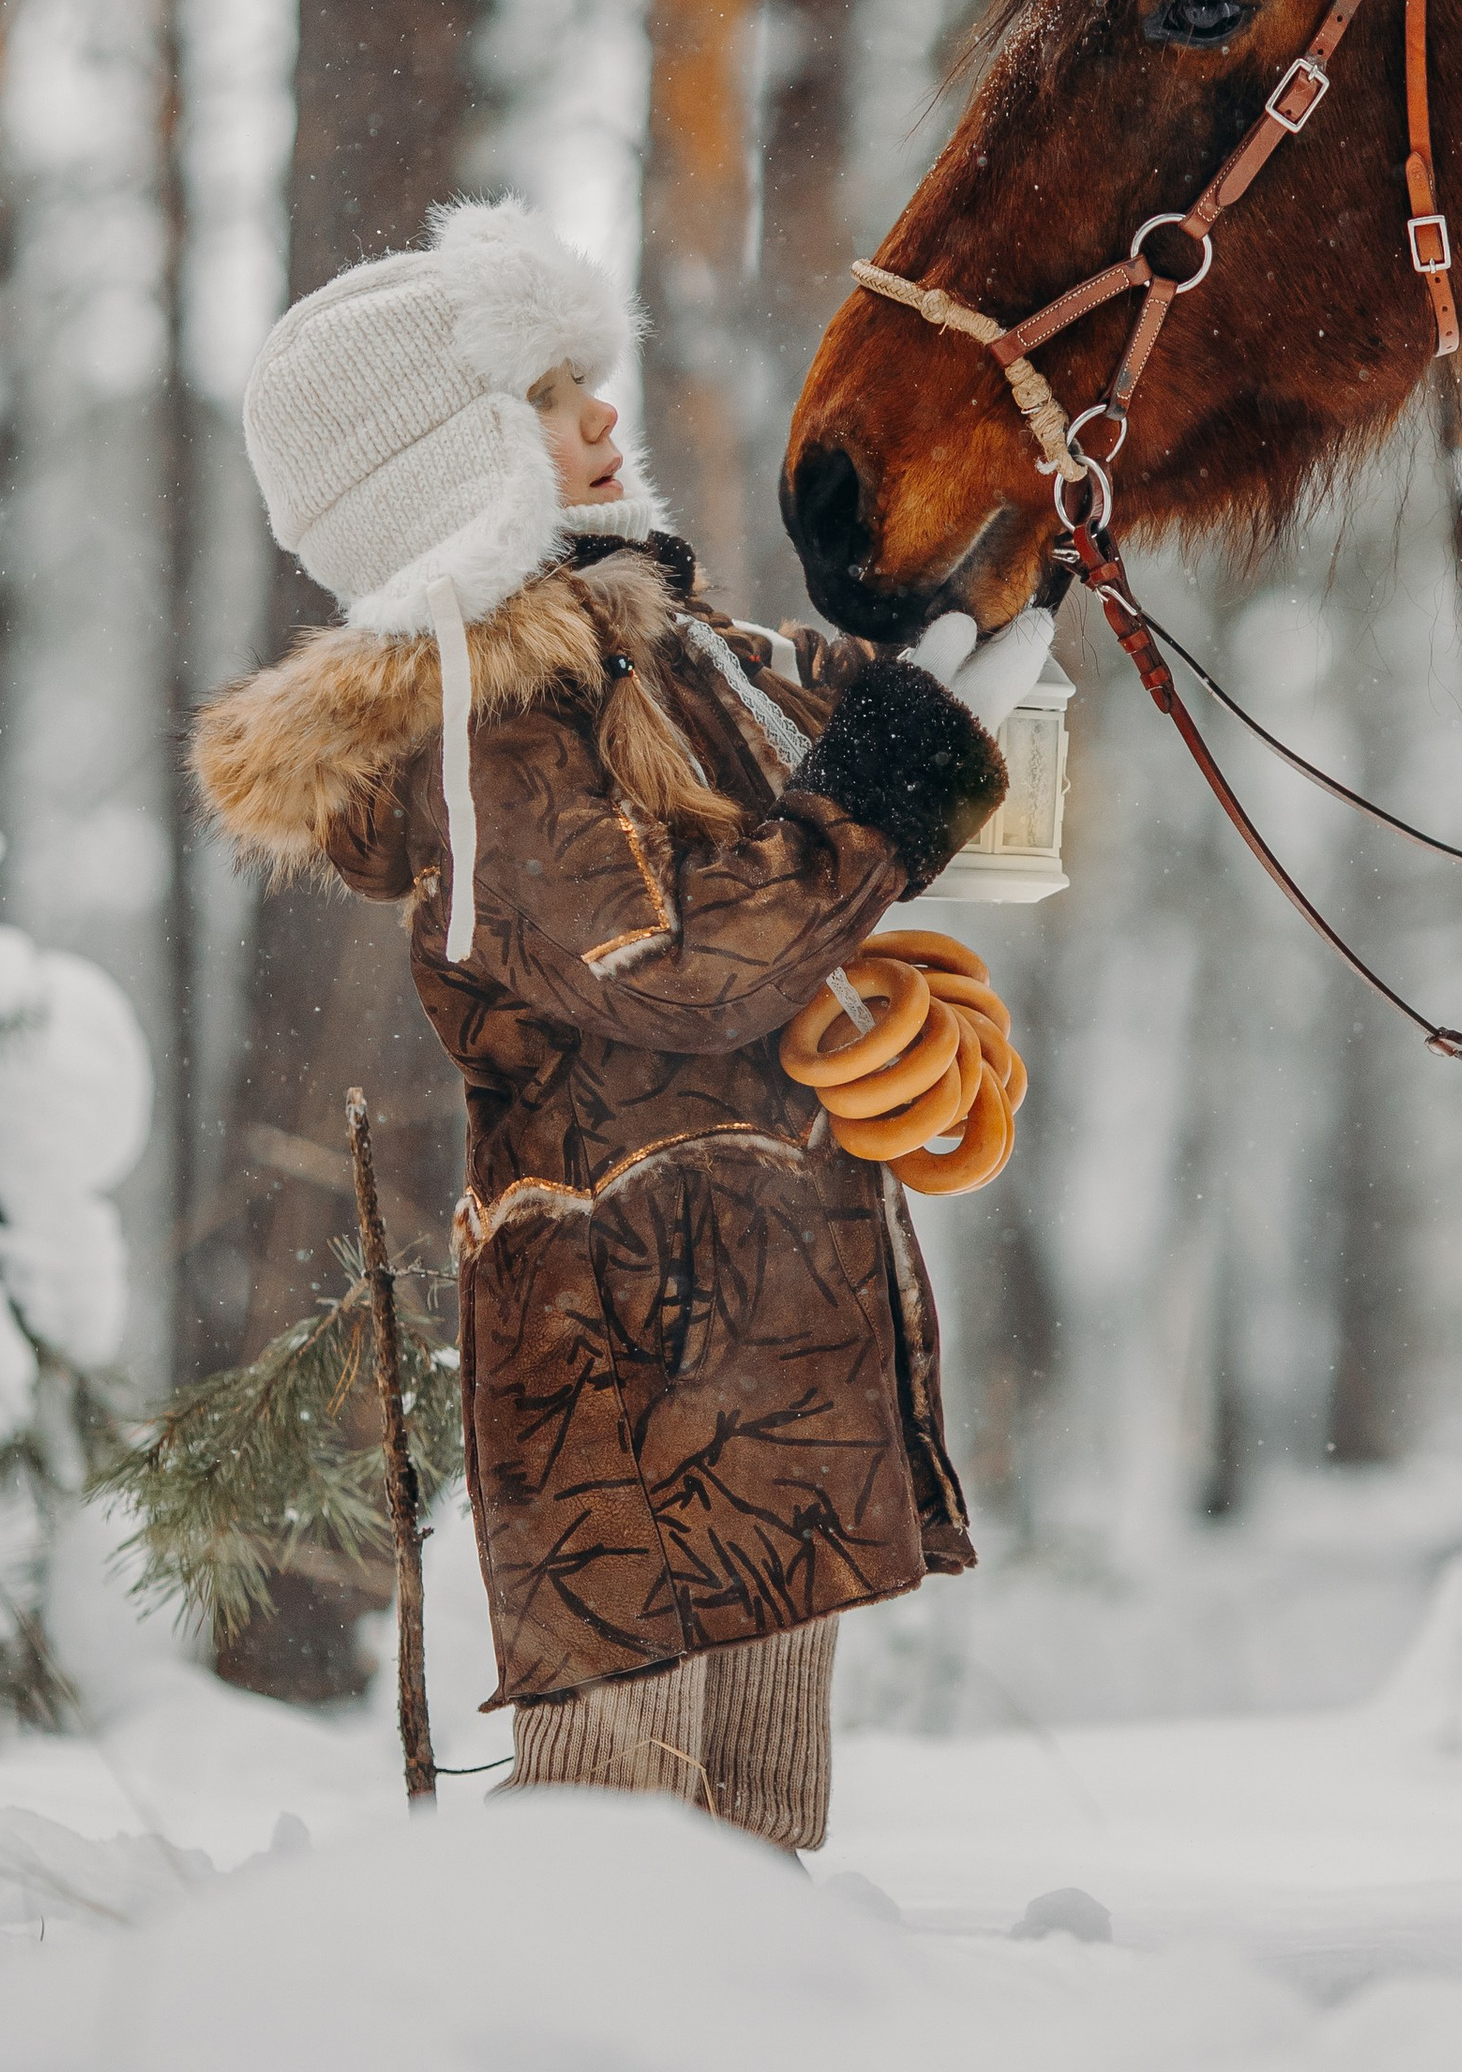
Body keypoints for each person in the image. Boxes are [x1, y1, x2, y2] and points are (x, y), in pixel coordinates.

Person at [192, 198, 1050, 1850]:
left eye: (586, 380)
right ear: (449, 470)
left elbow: (820, 728)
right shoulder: (489, 730)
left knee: (762, 1840)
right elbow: (680, 966)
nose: (601, 415)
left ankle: (759, 2011)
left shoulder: (663, 642)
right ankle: (580, 2014)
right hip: (630, 1362)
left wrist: (973, 600)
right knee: (617, 1844)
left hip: (771, 1334)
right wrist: (900, 776)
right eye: (545, 397)